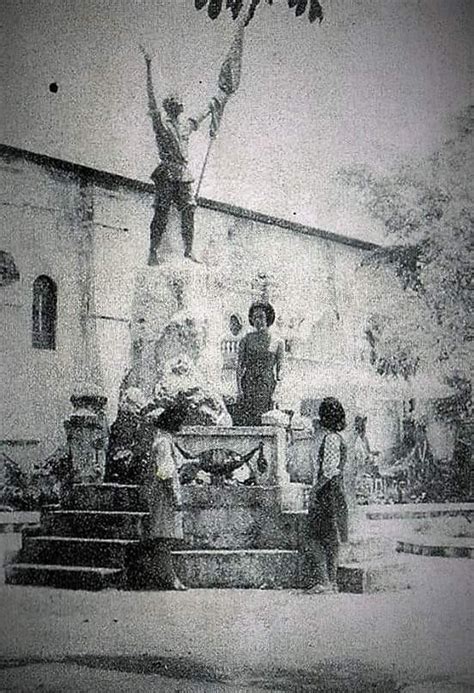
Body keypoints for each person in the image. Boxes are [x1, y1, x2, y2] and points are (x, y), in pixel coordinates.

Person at [140, 47, 229, 265]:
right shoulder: (161, 125)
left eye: (178, 103)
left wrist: (218, 100)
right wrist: (149, 67)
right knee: (160, 212)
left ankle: (188, 250)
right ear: (169, 108)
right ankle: (153, 250)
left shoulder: (185, 127)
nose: (177, 105)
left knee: (189, 210)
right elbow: (151, 101)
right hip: (167, 171)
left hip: (183, 173)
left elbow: (203, 114)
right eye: (173, 103)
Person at [140, 398, 189, 590]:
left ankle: (168, 576)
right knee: (163, 537)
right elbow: (165, 472)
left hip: (161, 494)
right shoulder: (163, 443)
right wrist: (175, 497)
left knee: (164, 536)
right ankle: (169, 577)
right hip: (163, 495)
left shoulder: (164, 440)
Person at [306, 397, 348, 593]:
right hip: (335, 490)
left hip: (327, 490)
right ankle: (333, 582)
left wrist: (315, 489)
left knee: (316, 537)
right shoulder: (339, 438)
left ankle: (325, 581)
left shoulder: (330, 439)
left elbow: (329, 469)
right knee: (332, 538)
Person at [236, 301, 284, 426]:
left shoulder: (277, 342)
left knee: (265, 420)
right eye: (255, 317)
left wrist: (277, 393)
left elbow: (280, 370)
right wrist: (239, 390)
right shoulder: (246, 340)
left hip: (266, 386)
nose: (258, 320)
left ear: (268, 317)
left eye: (261, 317)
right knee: (248, 421)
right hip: (249, 385)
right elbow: (240, 367)